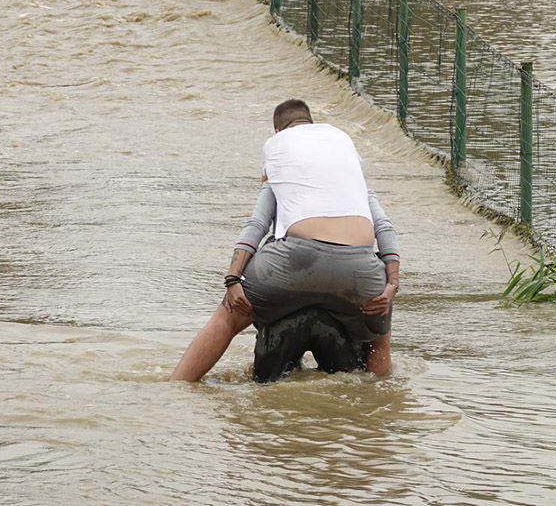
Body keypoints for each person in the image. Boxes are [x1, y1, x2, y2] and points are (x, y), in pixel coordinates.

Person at [170, 99, 399, 381]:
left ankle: (178, 385)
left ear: (278, 131)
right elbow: (385, 228)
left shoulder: (280, 155)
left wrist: (232, 279)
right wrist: (391, 287)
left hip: (292, 264)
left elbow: (257, 225)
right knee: (379, 337)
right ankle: (382, 399)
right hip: (358, 270)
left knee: (227, 318)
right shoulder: (350, 170)